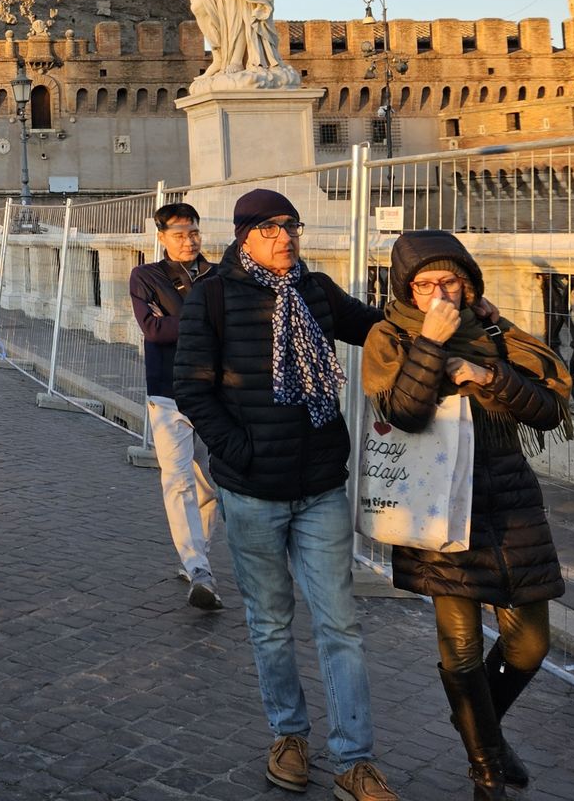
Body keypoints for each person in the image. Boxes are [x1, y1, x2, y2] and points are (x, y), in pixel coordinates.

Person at [173, 189, 400, 801]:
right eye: (271, 229)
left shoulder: (317, 291)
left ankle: (355, 760)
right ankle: (289, 736)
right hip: (252, 492)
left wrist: (442, 299)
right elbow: (190, 389)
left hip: (320, 484)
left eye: (291, 227)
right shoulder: (212, 297)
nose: (285, 238)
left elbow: (379, 327)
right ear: (245, 236)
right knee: (271, 623)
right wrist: (238, 450)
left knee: (341, 625)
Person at [364, 231, 573, 801]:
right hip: (436, 504)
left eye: (449, 281)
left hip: (509, 500)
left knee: (529, 644)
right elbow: (402, 413)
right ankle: (486, 770)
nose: (438, 292)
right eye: (424, 283)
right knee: (459, 646)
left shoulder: (496, 332)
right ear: (407, 287)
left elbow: (552, 409)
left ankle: (479, 730)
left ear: (469, 281)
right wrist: (431, 347)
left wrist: (487, 375)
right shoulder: (389, 336)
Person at [127, 201, 223, 611]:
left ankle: (194, 555)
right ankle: (198, 566)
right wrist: (206, 319)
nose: (189, 240)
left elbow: (229, 323)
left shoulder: (220, 275)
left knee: (213, 485)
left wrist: (180, 318)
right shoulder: (145, 276)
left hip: (220, 392)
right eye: (180, 234)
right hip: (167, 391)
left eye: (194, 232)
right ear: (162, 237)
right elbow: (152, 328)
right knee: (178, 479)